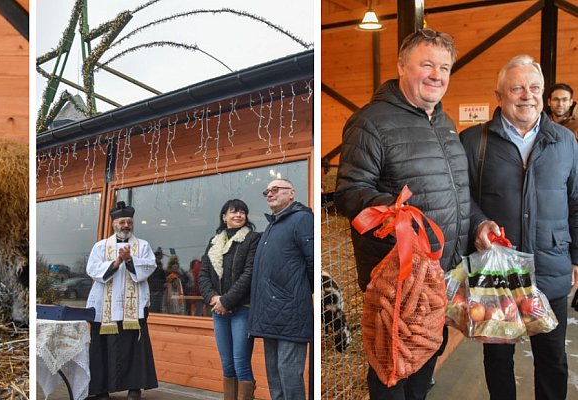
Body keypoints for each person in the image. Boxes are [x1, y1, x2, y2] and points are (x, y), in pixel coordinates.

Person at [334, 28, 471, 400]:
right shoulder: (371, 122)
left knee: (426, 359)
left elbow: (455, 191)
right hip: (398, 281)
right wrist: (397, 214)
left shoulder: (443, 122)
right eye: (426, 64)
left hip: (440, 275)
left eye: (444, 67)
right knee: (392, 369)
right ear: (400, 66)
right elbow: (348, 192)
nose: (437, 75)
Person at [460, 54, 578, 400]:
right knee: (497, 357)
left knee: (552, 358)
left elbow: (577, 201)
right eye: (517, 88)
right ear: (499, 96)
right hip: (498, 267)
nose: (527, 95)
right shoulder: (474, 142)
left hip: (551, 262)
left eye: (535, 88)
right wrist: (479, 223)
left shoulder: (565, 142)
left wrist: (576, 256)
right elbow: (460, 198)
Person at [85, 201, 158, 400]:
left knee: (133, 348)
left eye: (129, 222)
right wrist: (117, 262)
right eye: (122, 222)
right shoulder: (100, 246)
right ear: (114, 224)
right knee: (102, 348)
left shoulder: (142, 246)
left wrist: (130, 260)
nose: (126, 225)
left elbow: (150, 267)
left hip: (132, 308)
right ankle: (101, 389)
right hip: (105, 306)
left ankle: (134, 387)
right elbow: (92, 269)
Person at [248, 179, 313, 400]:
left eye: (276, 189)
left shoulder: (302, 219)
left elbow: (313, 261)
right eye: (267, 191)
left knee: (289, 374)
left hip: (291, 311)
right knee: (274, 374)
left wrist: (299, 293)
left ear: (291, 193)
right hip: (270, 312)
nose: (270, 194)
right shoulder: (272, 226)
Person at [198, 199, 261, 400]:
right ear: (224, 216)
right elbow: (203, 274)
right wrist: (214, 298)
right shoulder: (214, 241)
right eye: (234, 212)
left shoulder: (253, 239)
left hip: (242, 309)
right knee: (227, 364)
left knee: (241, 362)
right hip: (219, 311)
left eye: (243, 212)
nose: (239, 215)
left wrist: (227, 301)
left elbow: (249, 274)